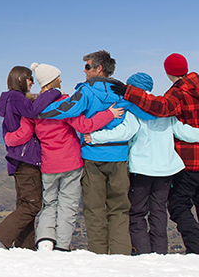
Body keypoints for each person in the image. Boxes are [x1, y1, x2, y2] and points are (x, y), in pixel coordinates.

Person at [36, 50, 153, 255]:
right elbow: (147, 112)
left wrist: (38, 110)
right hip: (119, 158)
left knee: (94, 209)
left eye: (88, 66)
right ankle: (120, 254)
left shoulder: (87, 91)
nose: (85, 70)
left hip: (93, 157)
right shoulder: (122, 91)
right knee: (119, 209)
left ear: (99, 69)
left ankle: (98, 255)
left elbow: (68, 109)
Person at [89, 72, 199, 254]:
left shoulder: (134, 110)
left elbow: (124, 133)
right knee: (158, 211)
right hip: (166, 170)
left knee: (137, 212)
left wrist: (93, 137)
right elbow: (183, 131)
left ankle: (142, 252)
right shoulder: (164, 109)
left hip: (142, 170)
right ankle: (159, 251)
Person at [4, 62, 123, 251]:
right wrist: (109, 114)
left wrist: (9, 139)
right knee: (68, 205)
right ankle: (62, 245)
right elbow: (85, 125)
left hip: (48, 164)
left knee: (49, 204)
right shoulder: (65, 105)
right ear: (52, 80)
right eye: (58, 77)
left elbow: (25, 132)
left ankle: (44, 241)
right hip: (71, 163)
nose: (61, 79)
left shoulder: (33, 108)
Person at [0, 65, 63, 250]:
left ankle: (25, 247)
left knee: (25, 204)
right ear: (21, 79)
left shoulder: (10, 100)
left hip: (19, 160)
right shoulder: (16, 97)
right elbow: (32, 111)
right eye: (30, 79)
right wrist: (52, 92)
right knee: (33, 205)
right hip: (27, 159)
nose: (32, 83)